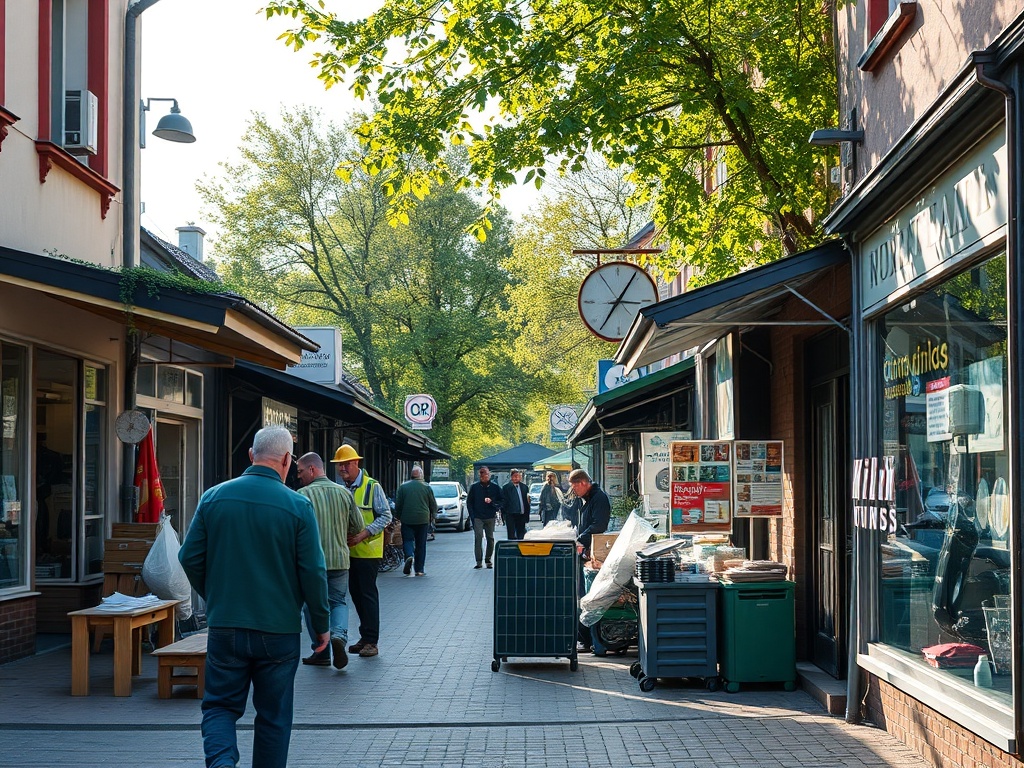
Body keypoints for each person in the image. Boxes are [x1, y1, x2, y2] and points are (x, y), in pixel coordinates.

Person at [178, 425, 329, 768]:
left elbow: (189, 557)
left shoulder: (213, 498)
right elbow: (313, 573)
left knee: (219, 706)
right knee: (274, 716)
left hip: (226, 625)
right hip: (279, 630)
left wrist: (216, 596)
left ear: (251, 455)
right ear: (288, 460)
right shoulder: (297, 506)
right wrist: (321, 626)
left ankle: (221, 763)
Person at [295, 451, 364, 670]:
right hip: (340, 559)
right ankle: (339, 636)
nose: (298, 476)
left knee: (312, 605)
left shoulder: (302, 495)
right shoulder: (344, 493)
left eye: (301, 471)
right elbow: (357, 526)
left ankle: (321, 650)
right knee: (338, 601)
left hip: (311, 563)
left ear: (312, 469)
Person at [331, 443, 392, 658]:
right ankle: (365, 638)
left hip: (367, 552)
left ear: (356, 463)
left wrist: (363, 534)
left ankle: (372, 641)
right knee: (356, 595)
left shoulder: (372, 486)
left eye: (345, 464)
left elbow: (386, 516)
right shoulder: (342, 488)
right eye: (339, 466)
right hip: (350, 554)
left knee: (367, 595)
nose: (342, 469)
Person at [568, 468, 611, 655]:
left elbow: (599, 525)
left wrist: (581, 539)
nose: (573, 490)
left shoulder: (599, 499)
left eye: (574, 486)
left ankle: (588, 639)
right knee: (581, 596)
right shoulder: (586, 499)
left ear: (583, 483)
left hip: (590, 554)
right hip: (585, 553)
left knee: (586, 597)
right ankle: (583, 638)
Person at [394, 465, 438, 576]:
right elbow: (432, 503)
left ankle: (409, 555)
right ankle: (419, 569)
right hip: (423, 519)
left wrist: (398, 516)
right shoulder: (426, 487)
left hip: (407, 519)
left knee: (408, 540)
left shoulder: (403, 487)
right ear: (421, 475)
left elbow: (398, 504)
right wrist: (433, 515)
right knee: (421, 544)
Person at [466, 466, 502, 569]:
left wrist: (494, 504)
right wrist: (472, 515)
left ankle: (488, 559)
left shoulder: (495, 487)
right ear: (480, 476)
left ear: (489, 475)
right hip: (478, 516)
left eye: (486, 474)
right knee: (478, 538)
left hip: (490, 516)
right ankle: (478, 561)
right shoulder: (475, 487)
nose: (484, 476)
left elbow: (502, 500)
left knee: (490, 538)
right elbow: (469, 502)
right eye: (482, 475)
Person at [502, 468, 531, 541]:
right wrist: (504, 514)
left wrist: (527, 515)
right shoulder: (506, 487)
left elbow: (526, 502)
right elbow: (504, 501)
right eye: (515, 476)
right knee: (511, 534)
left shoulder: (524, 487)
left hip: (522, 514)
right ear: (511, 477)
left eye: (518, 476)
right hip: (511, 514)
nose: (516, 478)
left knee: (521, 534)